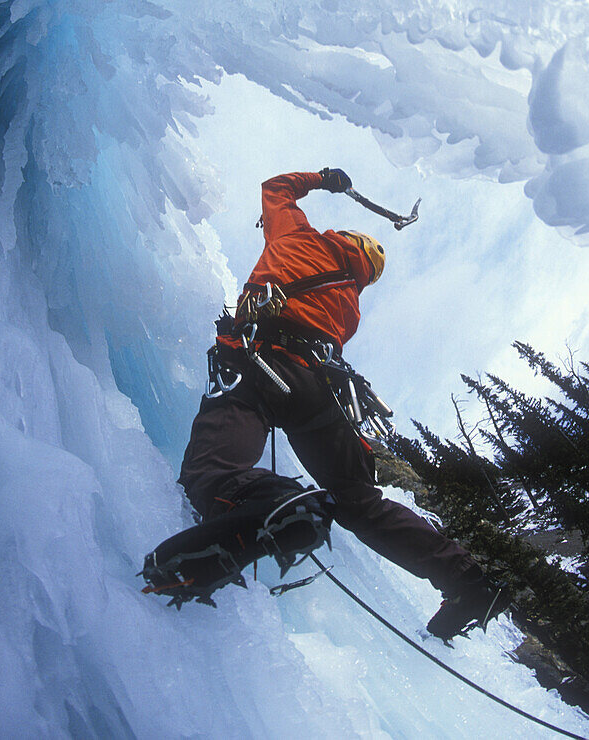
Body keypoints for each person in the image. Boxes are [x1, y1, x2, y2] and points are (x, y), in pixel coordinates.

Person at [179, 168, 506, 639]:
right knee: (360, 503)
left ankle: (271, 503)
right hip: (322, 390)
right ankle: (469, 582)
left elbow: (274, 187)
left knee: (210, 470)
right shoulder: (349, 301)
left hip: (262, 363)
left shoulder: (302, 238)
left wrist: (324, 179)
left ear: (345, 239)